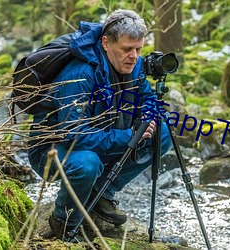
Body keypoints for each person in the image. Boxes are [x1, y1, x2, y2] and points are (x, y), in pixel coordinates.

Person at [28, 9, 172, 241]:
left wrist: (148, 119)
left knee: (162, 133)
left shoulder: (133, 65)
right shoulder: (79, 75)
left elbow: (147, 99)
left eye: (138, 49)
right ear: (106, 43)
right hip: (53, 150)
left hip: (103, 135)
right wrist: (129, 135)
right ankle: (63, 221)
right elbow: (74, 136)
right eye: (127, 49)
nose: (134, 56)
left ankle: (102, 193)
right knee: (87, 164)